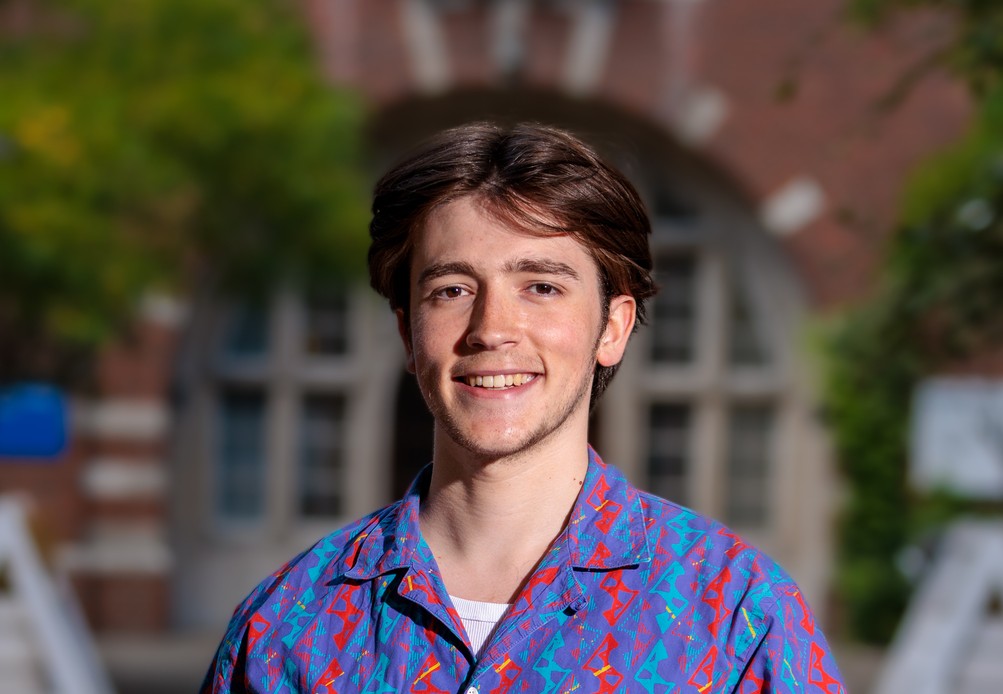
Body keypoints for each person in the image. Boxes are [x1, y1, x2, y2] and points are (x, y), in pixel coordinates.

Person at [201, 122, 845, 693]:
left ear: (613, 328)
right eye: (452, 289)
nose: (492, 328)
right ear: (406, 332)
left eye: (541, 287)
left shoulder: (736, 615)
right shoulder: (288, 624)